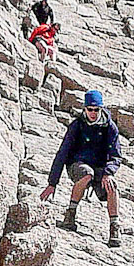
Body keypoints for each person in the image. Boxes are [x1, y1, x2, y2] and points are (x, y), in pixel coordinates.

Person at [40, 89, 123, 245]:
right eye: (89, 109)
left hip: (100, 168)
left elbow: (116, 155)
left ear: (101, 109)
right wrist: (52, 183)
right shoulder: (77, 126)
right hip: (77, 164)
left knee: (112, 185)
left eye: (96, 109)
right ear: (84, 109)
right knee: (87, 174)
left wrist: (109, 172)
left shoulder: (110, 127)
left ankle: (114, 227)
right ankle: (70, 214)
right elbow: (62, 153)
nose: (93, 113)